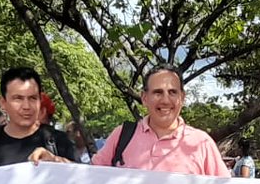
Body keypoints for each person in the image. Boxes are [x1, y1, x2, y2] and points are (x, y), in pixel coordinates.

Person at [91, 65, 229, 176]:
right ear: (144, 98)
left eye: (172, 92)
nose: (165, 100)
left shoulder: (201, 143)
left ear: (182, 98)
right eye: (158, 92)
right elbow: (90, 178)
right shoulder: (121, 135)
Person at [0, 68, 77, 171]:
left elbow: (83, 178)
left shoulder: (59, 141)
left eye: (33, 98)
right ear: (3, 103)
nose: (26, 106)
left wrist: (55, 160)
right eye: (18, 98)